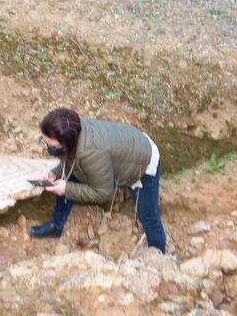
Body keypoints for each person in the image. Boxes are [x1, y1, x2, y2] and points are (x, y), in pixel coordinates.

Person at [29, 108, 167, 253]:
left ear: (66, 142)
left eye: (51, 146)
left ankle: (158, 257)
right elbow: (71, 157)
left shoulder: (91, 152)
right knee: (68, 177)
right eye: (44, 142)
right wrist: (54, 173)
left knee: (149, 217)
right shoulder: (73, 129)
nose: (48, 149)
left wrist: (66, 189)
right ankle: (56, 226)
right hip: (123, 148)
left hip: (142, 162)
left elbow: (104, 192)